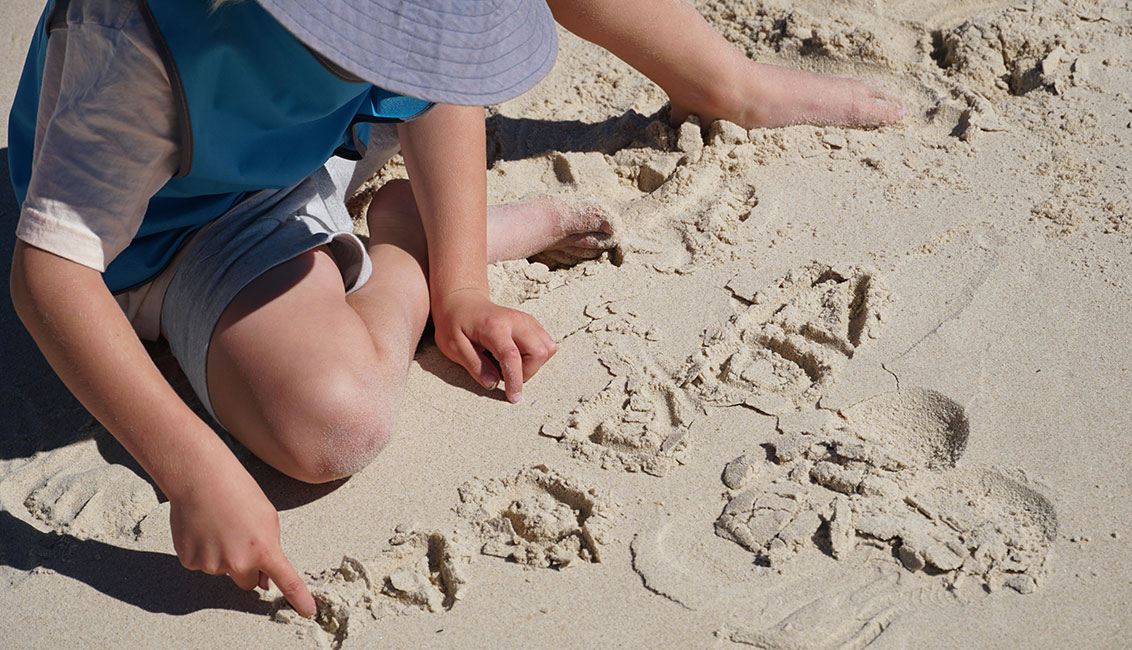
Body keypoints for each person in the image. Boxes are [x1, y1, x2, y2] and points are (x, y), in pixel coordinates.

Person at [6, 0, 904, 618]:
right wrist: (193, 469)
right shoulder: (134, 48)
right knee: (333, 425)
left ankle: (722, 79)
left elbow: (437, 71)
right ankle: (402, 246)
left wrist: (468, 285)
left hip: (325, 133)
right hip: (184, 223)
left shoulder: (399, 27)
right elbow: (51, 274)